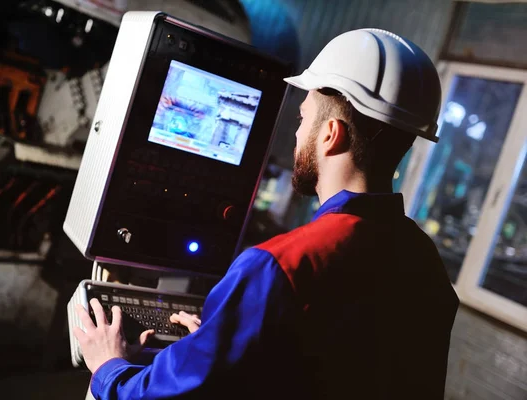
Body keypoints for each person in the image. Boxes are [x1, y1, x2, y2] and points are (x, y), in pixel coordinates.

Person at [74, 28, 460, 400]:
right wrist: (212, 348)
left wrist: (109, 366)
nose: (296, 134)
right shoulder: (425, 262)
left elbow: (155, 396)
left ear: (330, 134)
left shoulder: (281, 266)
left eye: (301, 119)